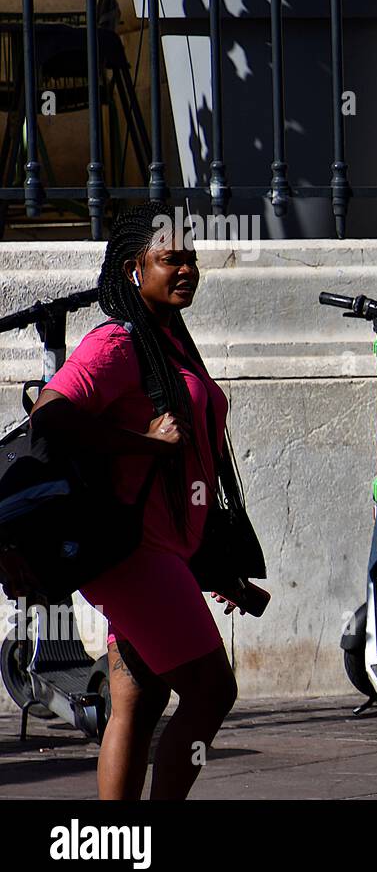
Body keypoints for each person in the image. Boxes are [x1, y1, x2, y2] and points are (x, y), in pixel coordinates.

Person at [30, 200, 249, 799]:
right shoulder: (116, 342)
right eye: (169, 259)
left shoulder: (169, 340)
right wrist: (142, 442)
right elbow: (49, 420)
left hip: (164, 548)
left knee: (142, 695)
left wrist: (212, 561)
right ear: (133, 269)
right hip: (132, 554)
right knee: (211, 691)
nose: (186, 269)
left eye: (192, 259)